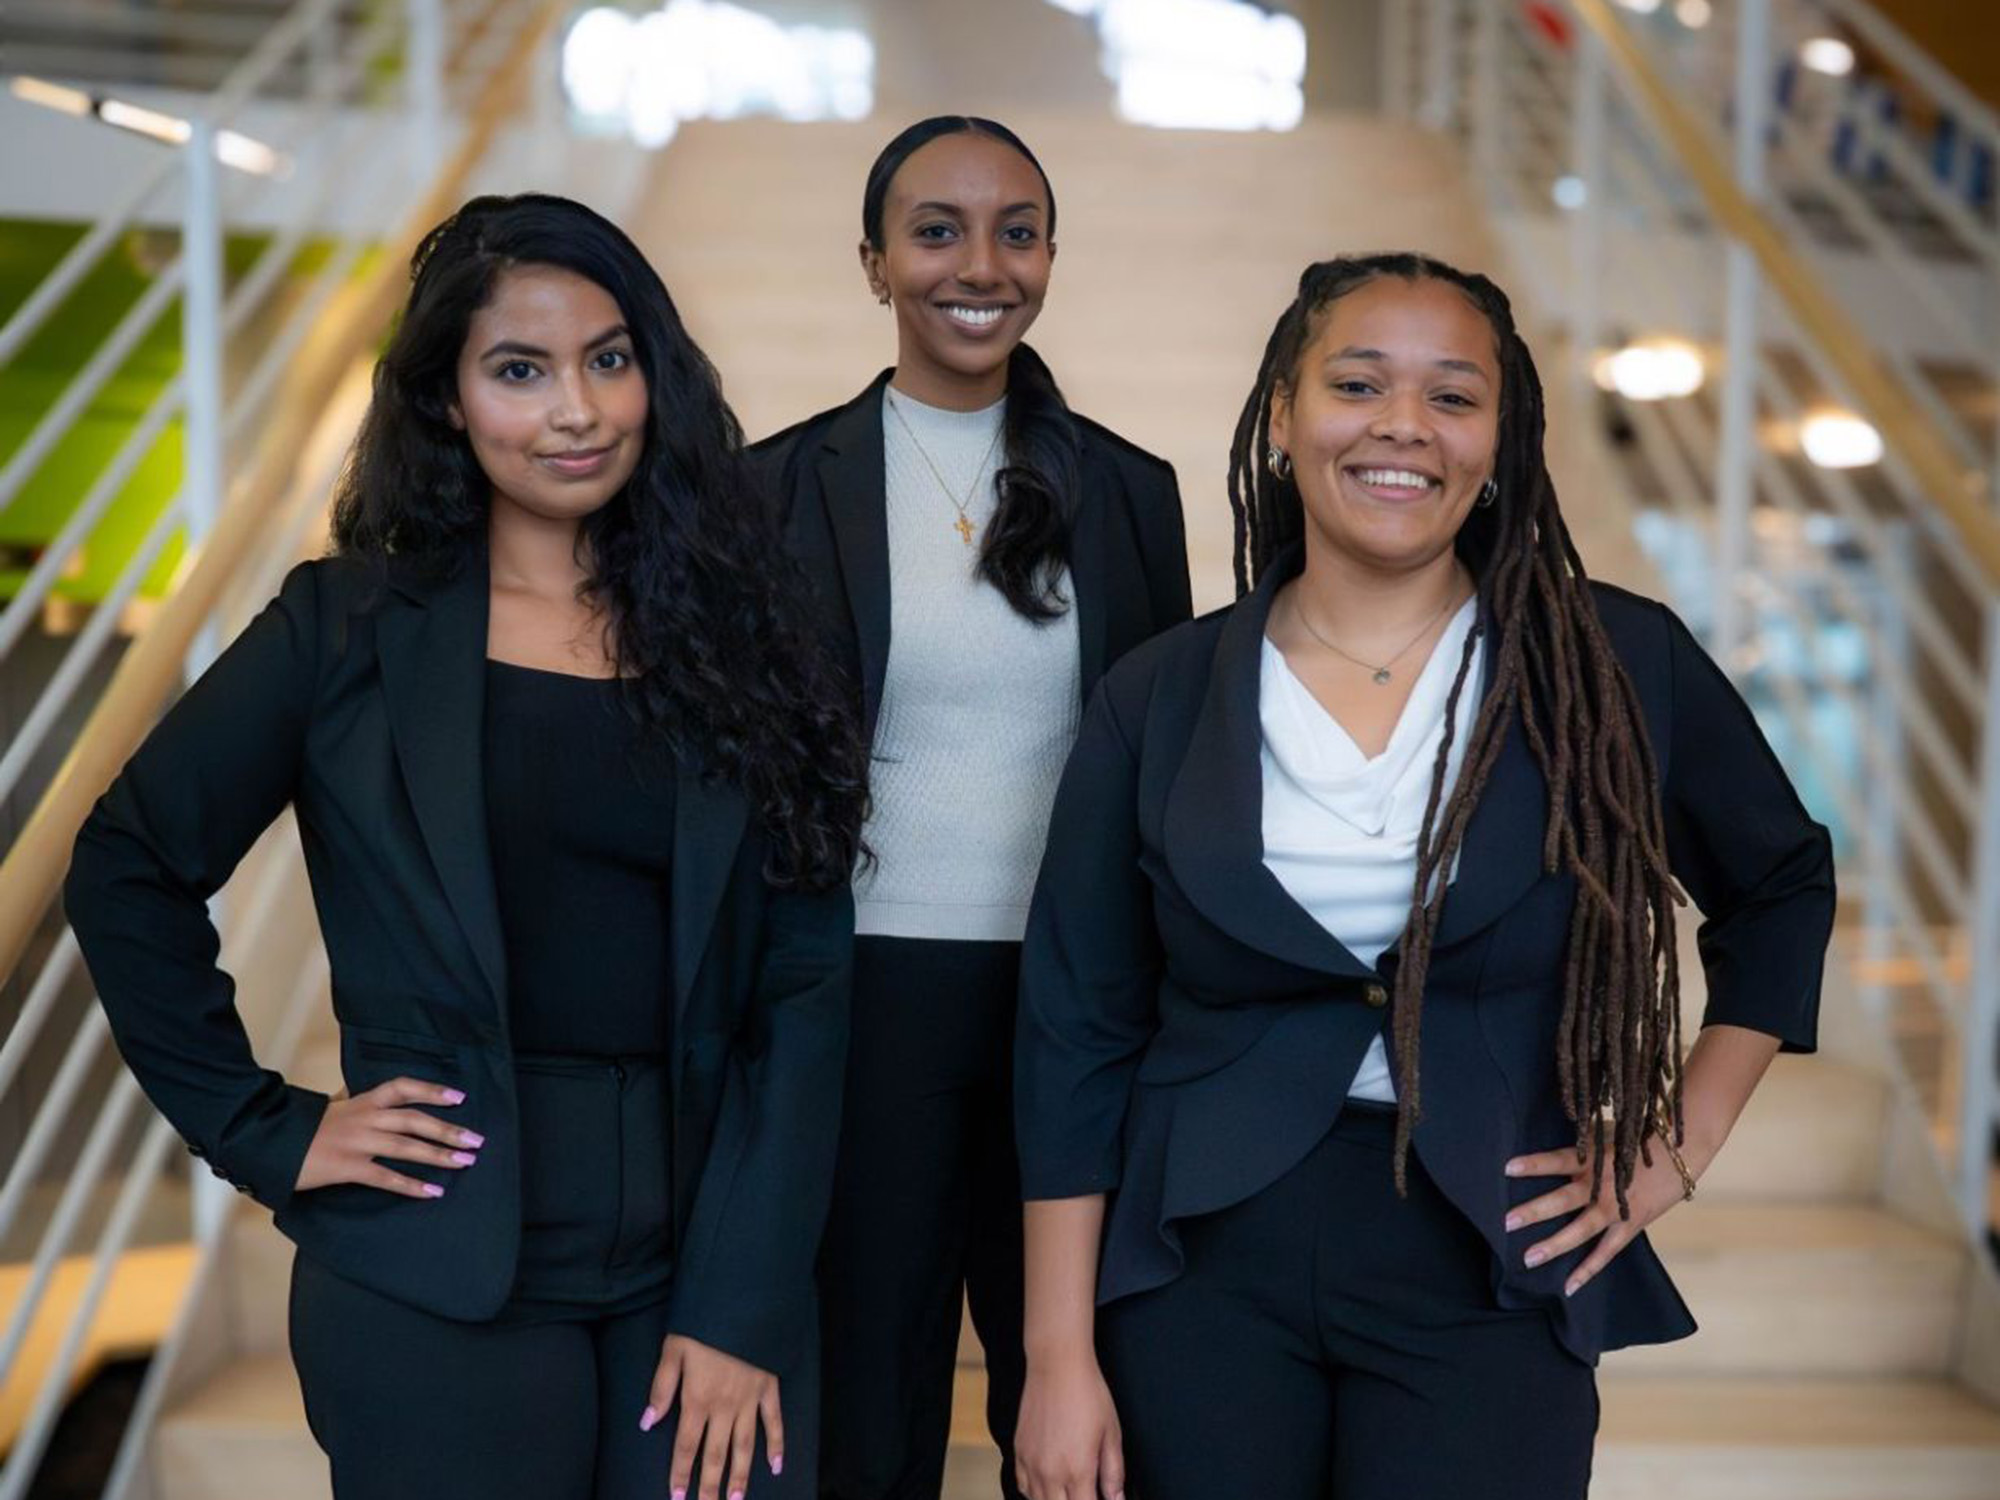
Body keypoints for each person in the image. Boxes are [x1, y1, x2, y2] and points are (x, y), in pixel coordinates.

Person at [64, 193, 867, 1500]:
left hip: (700, 1267)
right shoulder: (345, 629)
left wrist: (746, 1299)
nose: (577, 409)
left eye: (610, 361)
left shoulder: (742, 632)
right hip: (432, 1279)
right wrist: (267, 1129)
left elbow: (803, 984)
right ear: (443, 400)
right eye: (519, 371)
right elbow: (126, 863)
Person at [1012, 253, 1835, 1500]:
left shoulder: (1607, 662)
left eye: (1453, 397)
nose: (1403, 425)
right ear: (1282, 417)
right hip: (1198, 1261)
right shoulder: (1162, 693)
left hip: (1490, 1246)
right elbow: (1072, 1027)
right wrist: (1055, 1352)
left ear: (1500, 443)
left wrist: (1678, 1137)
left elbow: (1780, 883)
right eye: (1356, 384)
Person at [748, 117, 1191, 1500]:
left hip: (1075, 1010)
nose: (979, 263)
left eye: (1017, 229)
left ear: (1051, 254)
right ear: (875, 261)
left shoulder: (1125, 492)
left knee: (1081, 1423)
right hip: (863, 1003)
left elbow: (1156, 784)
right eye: (936, 229)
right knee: (868, 1414)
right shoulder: (773, 488)